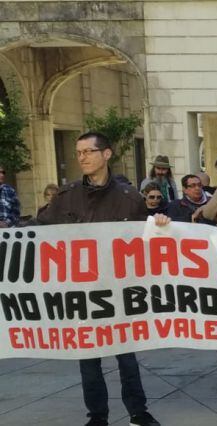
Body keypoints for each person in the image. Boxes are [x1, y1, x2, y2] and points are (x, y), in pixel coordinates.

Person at [35, 132, 160, 426]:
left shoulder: (129, 199)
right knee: (88, 358)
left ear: (106, 154)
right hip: (81, 291)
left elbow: (147, 241)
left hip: (118, 291)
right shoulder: (66, 196)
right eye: (78, 152)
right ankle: (97, 416)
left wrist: (161, 226)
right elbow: (38, 230)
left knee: (126, 357)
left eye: (88, 151)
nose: (82, 158)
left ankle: (138, 412)